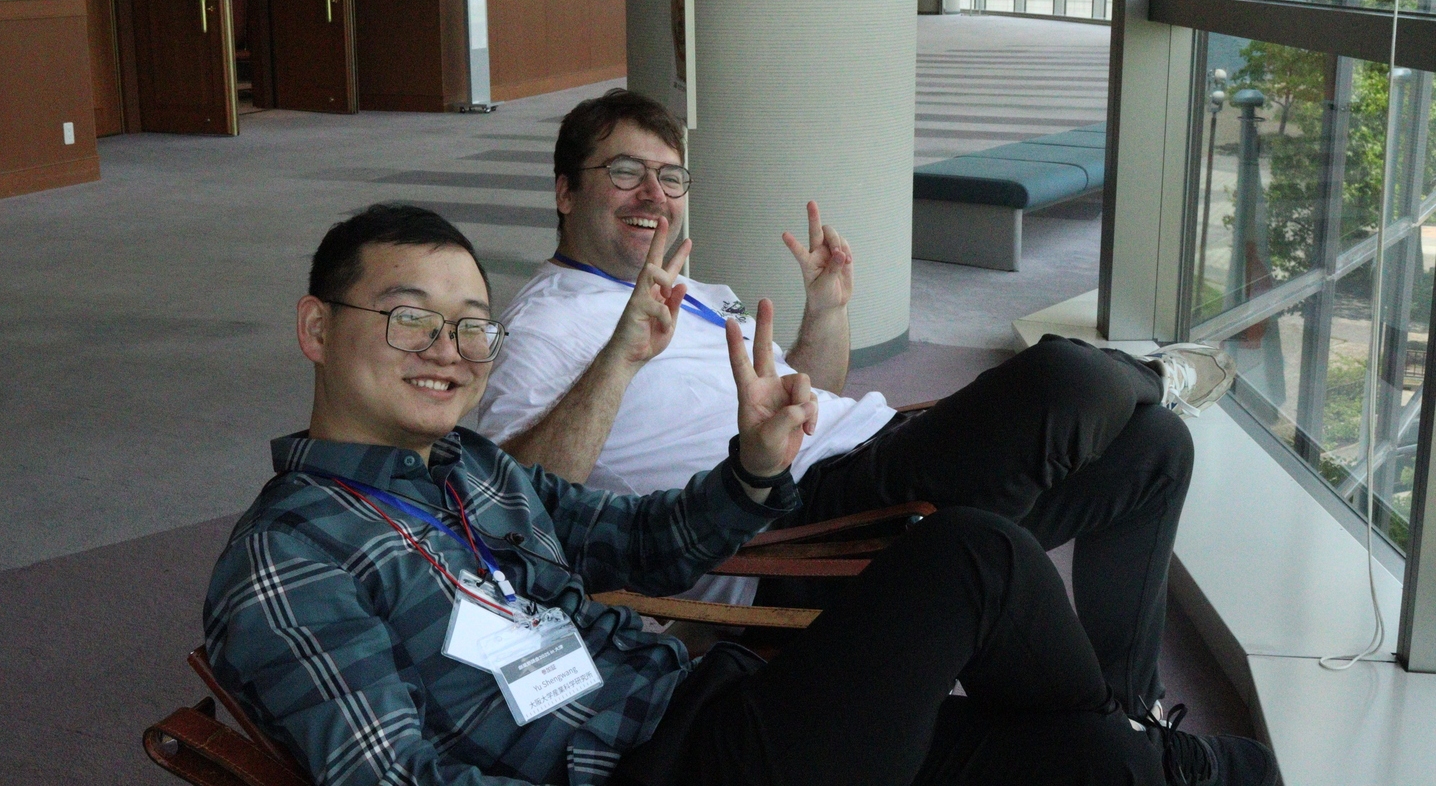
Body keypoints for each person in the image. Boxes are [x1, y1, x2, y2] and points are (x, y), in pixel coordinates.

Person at [204, 202, 1278, 786]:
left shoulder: (471, 472)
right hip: (660, 769)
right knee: (976, 555)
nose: (448, 348)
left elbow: (647, 543)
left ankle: (1154, 754)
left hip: (708, 707)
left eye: (468, 324)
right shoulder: (290, 559)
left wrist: (753, 466)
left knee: (1107, 761)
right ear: (317, 329)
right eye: (407, 317)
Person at [476, 88, 1238, 721]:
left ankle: (1127, 708)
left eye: (671, 177)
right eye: (625, 172)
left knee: (1155, 450)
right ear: (565, 190)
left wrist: (827, 310)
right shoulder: (544, 324)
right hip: (796, 528)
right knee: (1064, 380)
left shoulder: (694, 291)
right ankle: (1156, 374)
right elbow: (506, 506)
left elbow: (805, 399)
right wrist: (619, 356)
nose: (654, 195)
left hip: (868, 462)